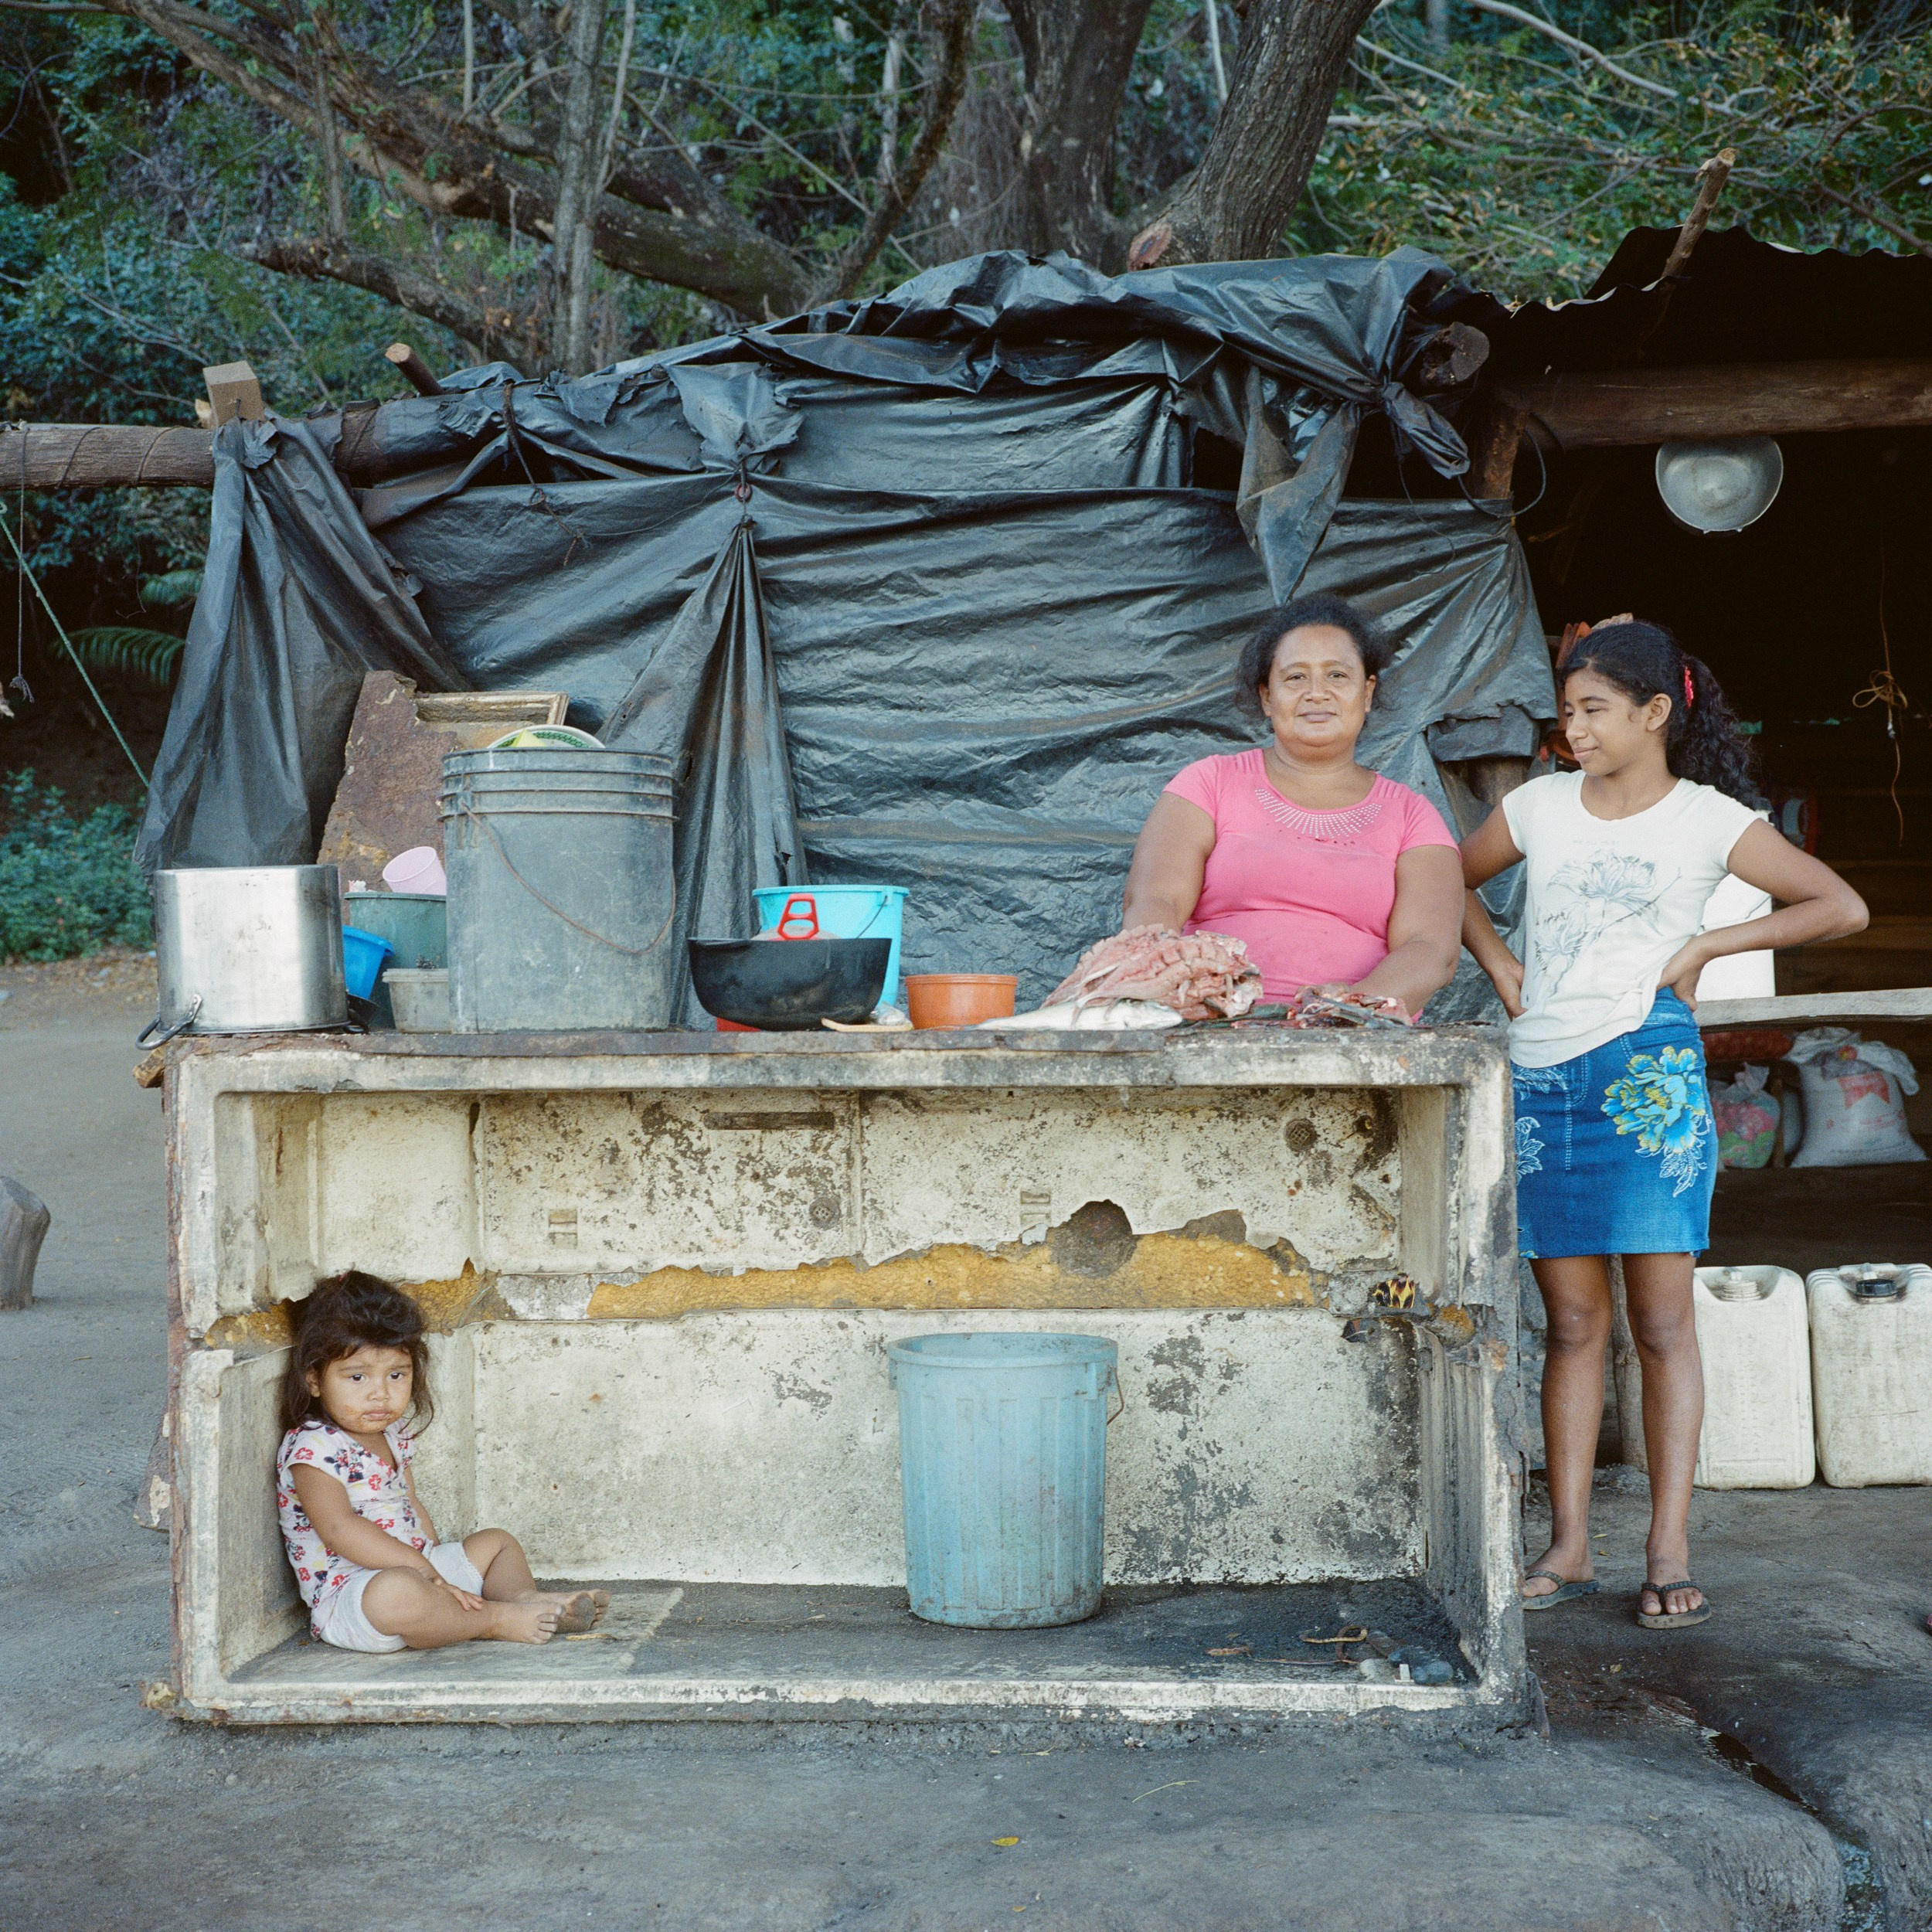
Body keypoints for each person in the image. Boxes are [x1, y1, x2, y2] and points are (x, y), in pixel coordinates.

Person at [1460, 620, 1866, 1630]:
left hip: (1650, 1080)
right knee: (1573, 1326)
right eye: (1566, 710)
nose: (1573, 726)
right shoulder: (1538, 807)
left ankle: (1668, 1544)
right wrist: (1501, 966)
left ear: (1653, 714)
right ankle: (1568, 1545)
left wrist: (1711, 946)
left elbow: (1840, 906)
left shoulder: (1709, 820)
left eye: (1593, 709)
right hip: (1547, 1080)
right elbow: (1441, 878)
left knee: (1663, 1323)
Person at [1122, 593, 1464, 1017]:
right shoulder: (1208, 783)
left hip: (1353, 1039)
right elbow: (1155, 902)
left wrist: (1350, 1008)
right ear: (1268, 697)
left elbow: (1431, 949)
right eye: (1295, 678)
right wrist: (1175, 985)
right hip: (1207, 1026)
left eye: (1337, 675)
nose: (1316, 693)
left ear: (1367, 692)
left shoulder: (1412, 815)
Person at [277, 1270, 608, 1651]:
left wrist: (437, 1566)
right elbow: (339, 1528)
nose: (380, 1394)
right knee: (398, 1593)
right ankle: (494, 1620)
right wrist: (425, 1574)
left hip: (422, 1570)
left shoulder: (393, 1435)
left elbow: (410, 1503)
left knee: (496, 1543)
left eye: (396, 1375)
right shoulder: (311, 1448)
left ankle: (522, 1600)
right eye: (357, 1378)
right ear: (315, 1380)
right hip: (358, 1594)